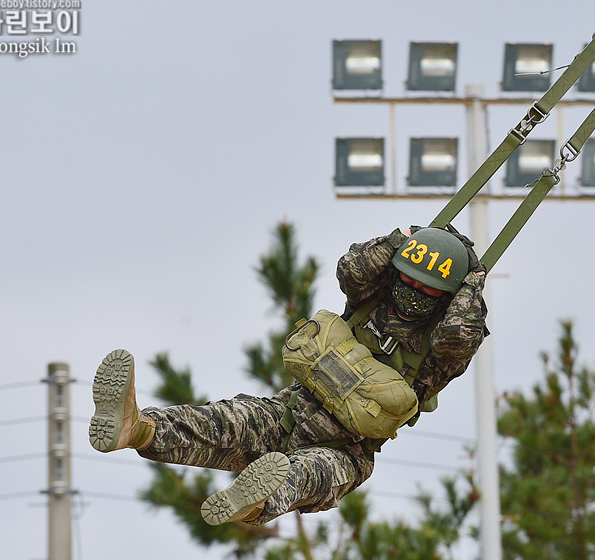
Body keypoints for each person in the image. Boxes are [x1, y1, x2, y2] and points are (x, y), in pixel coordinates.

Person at [88, 225, 488, 526]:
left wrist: (472, 281)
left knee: (301, 474)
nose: (412, 290)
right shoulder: (369, 301)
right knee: (222, 420)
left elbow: (461, 333)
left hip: (345, 452)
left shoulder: (438, 352)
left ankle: (254, 500)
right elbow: (352, 268)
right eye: (408, 278)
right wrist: (399, 240)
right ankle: (135, 429)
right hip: (288, 412)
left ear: (447, 298)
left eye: (428, 289)